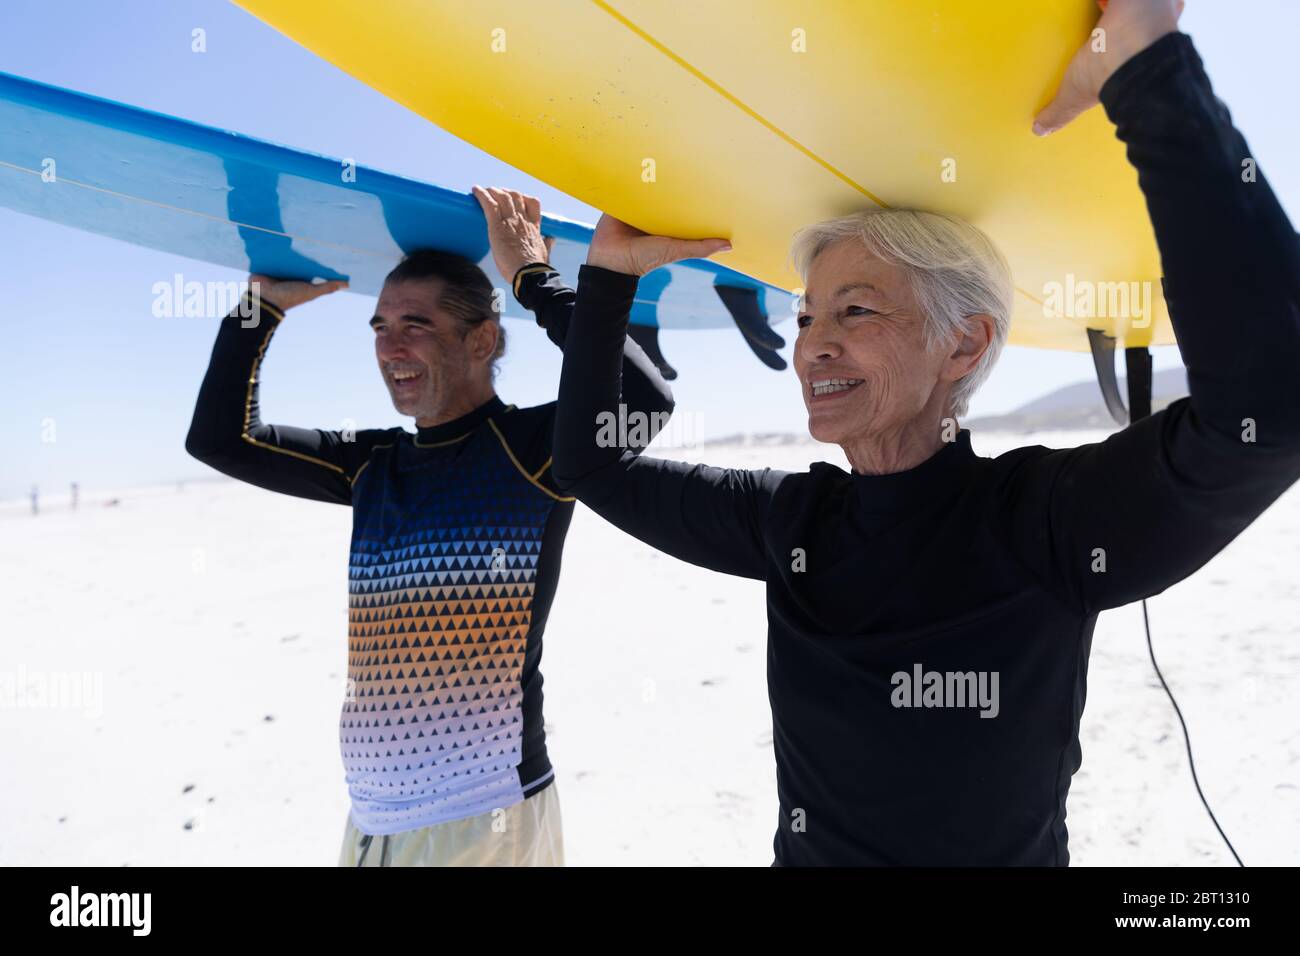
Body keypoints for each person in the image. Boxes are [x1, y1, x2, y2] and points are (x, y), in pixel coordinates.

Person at [551, 0, 1300, 865]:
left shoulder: (1046, 525)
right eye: (804, 319)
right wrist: (606, 280)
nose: (812, 345)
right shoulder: (792, 526)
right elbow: (592, 466)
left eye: (856, 310)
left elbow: (1270, 408)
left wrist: (1148, 68)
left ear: (965, 344)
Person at [185, 187, 673, 866]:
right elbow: (222, 440)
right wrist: (257, 310)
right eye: (379, 327)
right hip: (371, 818)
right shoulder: (371, 463)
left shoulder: (535, 450)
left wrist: (534, 280)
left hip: (486, 815)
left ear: (482, 338)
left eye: (414, 323)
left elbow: (644, 400)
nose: (390, 346)